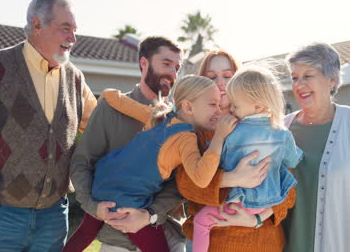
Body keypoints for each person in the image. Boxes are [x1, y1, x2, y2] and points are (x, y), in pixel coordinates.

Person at [0, 0, 97, 251]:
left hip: (54, 217)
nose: (73, 38)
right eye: (65, 28)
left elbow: (101, 125)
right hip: (3, 215)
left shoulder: (75, 78)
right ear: (37, 24)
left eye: (75, 30)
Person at [64, 76, 237, 252]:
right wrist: (219, 138)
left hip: (102, 185)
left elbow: (121, 102)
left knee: (84, 234)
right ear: (188, 107)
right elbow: (201, 178)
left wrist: (108, 94)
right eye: (213, 104)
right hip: (128, 203)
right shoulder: (186, 139)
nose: (218, 110)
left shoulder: (159, 117)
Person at [69, 36, 187, 252]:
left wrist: (149, 214)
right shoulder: (110, 108)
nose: (173, 72)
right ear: (144, 63)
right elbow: (82, 163)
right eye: (166, 63)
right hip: (115, 240)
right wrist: (95, 208)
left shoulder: (179, 122)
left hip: (166, 233)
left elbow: (180, 182)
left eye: (177, 67)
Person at [176, 50, 295, 252]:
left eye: (227, 75)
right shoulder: (194, 131)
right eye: (212, 77)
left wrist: (256, 219)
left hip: (263, 241)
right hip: (213, 242)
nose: (220, 82)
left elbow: (288, 188)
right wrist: (231, 178)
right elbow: (185, 185)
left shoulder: (266, 129)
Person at [282, 42, 350, 252]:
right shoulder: (282, 128)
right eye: (295, 77)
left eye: (308, 76)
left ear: (331, 79)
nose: (298, 84)